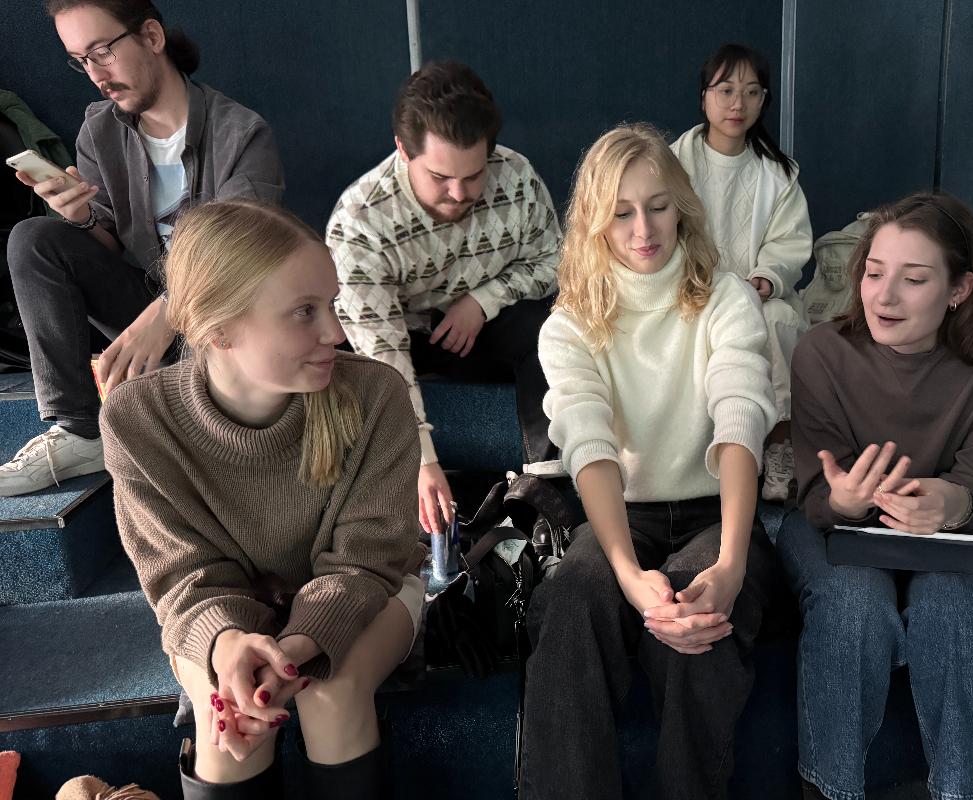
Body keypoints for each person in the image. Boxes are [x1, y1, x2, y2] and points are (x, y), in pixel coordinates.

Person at [100, 200, 423, 799]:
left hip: (368, 590)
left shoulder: (376, 394)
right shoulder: (136, 419)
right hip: (217, 610)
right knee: (225, 716)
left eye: (331, 305)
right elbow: (181, 575)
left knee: (329, 688)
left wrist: (296, 649)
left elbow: (368, 557)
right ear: (219, 329)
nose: (335, 333)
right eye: (304, 312)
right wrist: (228, 643)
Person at [521, 123, 779, 800]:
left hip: (714, 513)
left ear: (682, 206)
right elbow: (589, 445)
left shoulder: (726, 297)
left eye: (658, 206)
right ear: (596, 222)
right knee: (573, 602)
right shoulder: (570, 322)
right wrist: (629, 576)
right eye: (622, 213)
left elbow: (741, 420)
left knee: (701, 618)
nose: (643, 230)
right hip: (621, 514)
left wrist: (731, 563)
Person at [774, 192, 973, 800]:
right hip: (838, 528)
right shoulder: (822, 351)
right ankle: (830, 791)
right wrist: (844, 501)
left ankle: (967, 793)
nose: (884, 297)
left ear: (959, 289)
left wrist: (954, 502)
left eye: (913, 280)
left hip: (957, 536)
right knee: (853, 603)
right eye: (873, 273)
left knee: (953, 607)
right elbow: (815, 497)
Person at [0, 0, 284, 497]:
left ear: (152, 37)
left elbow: (240, 256)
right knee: (35, 238)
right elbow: (108, 241)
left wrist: (170, 309)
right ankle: (78, 432)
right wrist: (80, 217)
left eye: (102, 51)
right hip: (149, 315)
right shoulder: (100, 130)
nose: (96, 74)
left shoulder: (241, 135)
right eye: (81, 60)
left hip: (225, 322)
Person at [326, 60, 562, 535]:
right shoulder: (359, 223)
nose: (458, 193)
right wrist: (422, 460)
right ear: (402, 150)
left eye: (473, 176)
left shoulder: (516, 175)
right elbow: (383, 354)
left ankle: (550, 489)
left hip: (484, 328)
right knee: (335, 357)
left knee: (554, 324)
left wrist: (483, 300)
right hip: (399, 337)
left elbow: (556, 263)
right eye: (439, 177)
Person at [672, 43, 813, 503]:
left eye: (752, 92)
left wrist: (766, 279)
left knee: (778, 321)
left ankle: (778, 448)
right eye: (727, 90)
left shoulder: (778, 173)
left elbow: (789, 241)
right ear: (704, 96)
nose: (738, 103)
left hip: (757, 294)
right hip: (691, 291)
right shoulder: (673, 164)